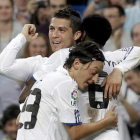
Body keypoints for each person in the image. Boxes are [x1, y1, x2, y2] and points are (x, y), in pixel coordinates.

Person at [1, 7, 140, 139]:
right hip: (104, 134)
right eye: (52, 29)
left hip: (81, 131)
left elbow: (26, 90)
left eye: (62, 30)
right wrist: (119, 70)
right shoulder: (112, 59)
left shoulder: (64, 56)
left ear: (79, 35)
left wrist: (25, 109)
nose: (55, 34)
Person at [17, 41, 118, 140]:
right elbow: (75, 133)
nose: (95, 79)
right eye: (93, 72)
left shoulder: (46, 79)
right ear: (77, 64)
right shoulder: (66, 83)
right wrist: (107, 121)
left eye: (98, 75)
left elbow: (19, 120)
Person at [119, 66, 140, 140]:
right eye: (126, 80)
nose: (128, 84)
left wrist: (122, 100)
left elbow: (136, 118)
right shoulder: (136, 102)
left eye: (130, 78)